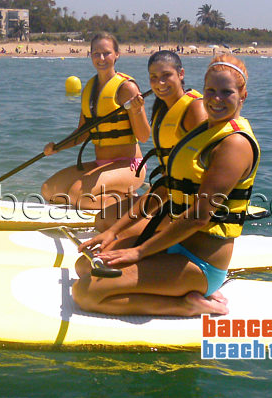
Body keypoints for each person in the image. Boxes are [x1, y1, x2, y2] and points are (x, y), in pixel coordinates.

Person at [74, 55, 260, 316]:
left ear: (243, 96)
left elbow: (198, 217)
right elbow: (165, 189)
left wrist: (138, 252)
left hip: (201, 262)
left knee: (85, 292)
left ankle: (187, 304)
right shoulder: (204, 131)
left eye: (226, 92)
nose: (216, 99)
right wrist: (114, 232)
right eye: (211, 90)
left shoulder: (234, 144)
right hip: (174, 246)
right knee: (85, 266)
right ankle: (172, 285)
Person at [95, 50, 207, 233]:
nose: (159, 83)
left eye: (166, 75)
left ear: (181, 74)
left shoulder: (195, 108)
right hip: (167, 194)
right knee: (102, 219)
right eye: (153, 77)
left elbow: (206, 167)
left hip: (190, 207)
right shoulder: (162, 109)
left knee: (113, 227)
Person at [41, 32, 149, 210]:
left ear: (117, 54)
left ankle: (135, 203)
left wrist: (137, 110)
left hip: (130, 167)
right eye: (96, 53)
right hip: (102, 165)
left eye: (106, 53)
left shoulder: (127, 88)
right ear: (90, 55)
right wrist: (57, 147)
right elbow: (82, 133)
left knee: (77, 194)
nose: (101, 58)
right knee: (49, 191)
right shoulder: (89, 89)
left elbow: (144, 136)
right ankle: (118, 196)